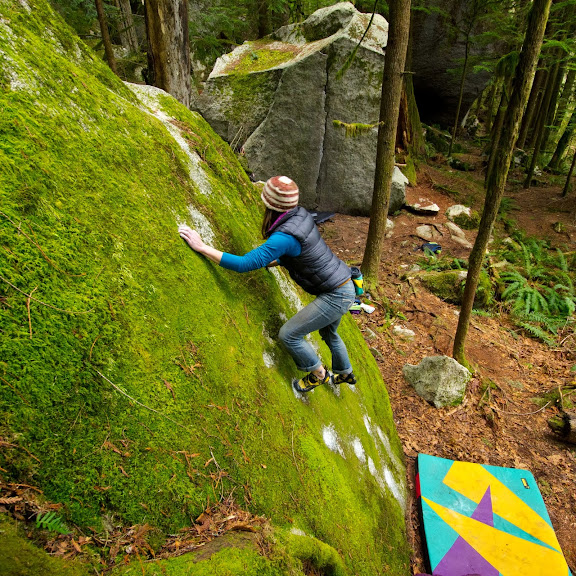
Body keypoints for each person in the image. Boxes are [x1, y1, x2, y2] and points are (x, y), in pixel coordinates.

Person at [178, 175, 357, 393]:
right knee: (329, 333)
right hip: (344, 282)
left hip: (335, 294)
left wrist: (203, 247)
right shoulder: (301, 215)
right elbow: (305, 252)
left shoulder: (283, 237)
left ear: (270, 204)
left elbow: (244, 264)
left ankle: (319, 374)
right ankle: (345, 372)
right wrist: (279, 259)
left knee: (289, 335)